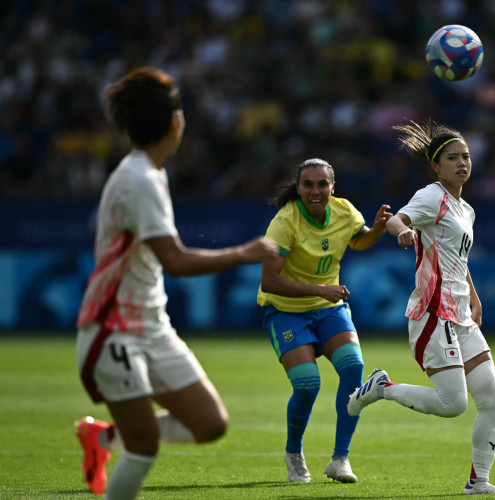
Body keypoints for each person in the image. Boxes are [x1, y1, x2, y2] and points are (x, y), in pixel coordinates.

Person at [73, 67, 277, 499]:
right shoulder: (140, 179)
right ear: (173, 123)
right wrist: (244, 252)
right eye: (179, 109)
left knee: (209, 424)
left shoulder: (149, 172)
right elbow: (176, 261)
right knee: (144, 448)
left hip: (152, 324)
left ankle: (102, 438)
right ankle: (117, 445)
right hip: (113, 329)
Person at [347, 121, 495, 496]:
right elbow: (396, 218)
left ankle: (479, 481)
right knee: (453, 404)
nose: (462, 163)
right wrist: (401, 231)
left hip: (461, 315)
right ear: (436, 167)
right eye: (452, 158)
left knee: (491, 398)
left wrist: (474, 295)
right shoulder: (431, 196)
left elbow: (458, 258)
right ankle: (383, 387)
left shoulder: (466, 209)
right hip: (433, 314)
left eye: (466, 156)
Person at [257, 158, 392, 483]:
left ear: (333, 187)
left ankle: (340, 458)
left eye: (322, 184)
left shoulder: (345, 212)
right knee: (307, 385)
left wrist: (375, 230)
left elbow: (358, 241)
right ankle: (293, 453)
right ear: (299, 187)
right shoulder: (285, 222)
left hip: (329, 309)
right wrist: (320, 289)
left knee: (353, 367)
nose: (315, 191)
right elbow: (269, 281)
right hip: (286, 310)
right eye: (308, 184)